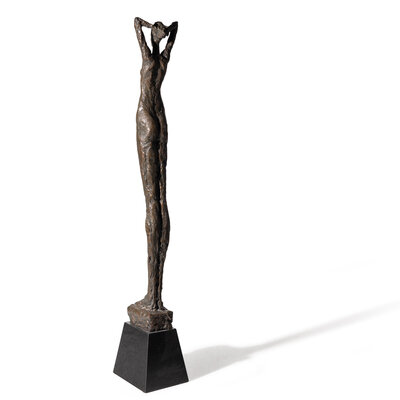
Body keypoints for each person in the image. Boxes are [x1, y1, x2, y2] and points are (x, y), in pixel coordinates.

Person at [133, 17, 178, 312]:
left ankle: (153, 296)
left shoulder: (149, 57)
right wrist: (164, 32)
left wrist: (152, 29)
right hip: (161, 118)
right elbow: (176, 28)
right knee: (161, 198)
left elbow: (136, 23)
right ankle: (155, 293)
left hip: (147, 116)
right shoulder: (163, 60)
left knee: (152, 201)